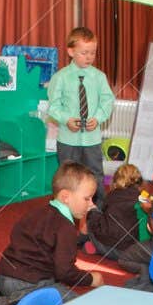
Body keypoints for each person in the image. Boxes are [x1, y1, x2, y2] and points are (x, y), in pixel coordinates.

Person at [0, 162, 103, 305]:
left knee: (52, 285)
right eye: (87, 199)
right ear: (66, 197)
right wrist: (90, 279)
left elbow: (17, 236)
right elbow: (65, 272)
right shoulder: (66, 228)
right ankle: (18, 302)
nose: (91, 204)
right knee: (74, 304)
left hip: (5, 274)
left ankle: (5, 292)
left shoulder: (37, 212)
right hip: (28, 283)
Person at [44, 27, 114, 202]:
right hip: (68, 139)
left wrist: (97, 118)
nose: (89, 57)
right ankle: (65, 209)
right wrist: (66, 119)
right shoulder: (60, 77)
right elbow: (53, 106)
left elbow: (107, 101)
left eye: (93, 53)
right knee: (67, 176)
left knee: (95, 173)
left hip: (92, 139)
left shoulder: (99, 77)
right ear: (71, 51)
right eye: (84, 53)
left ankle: (96, 209)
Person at [84, 161, 153, 279]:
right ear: (140, 183)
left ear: (115, 182)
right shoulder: (144, 199)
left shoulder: (110, 196)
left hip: (105, 245)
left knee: (93, 213)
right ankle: (96, 248)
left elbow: (102, 219)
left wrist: (93, 212)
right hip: (128, 252)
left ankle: (95, 247)